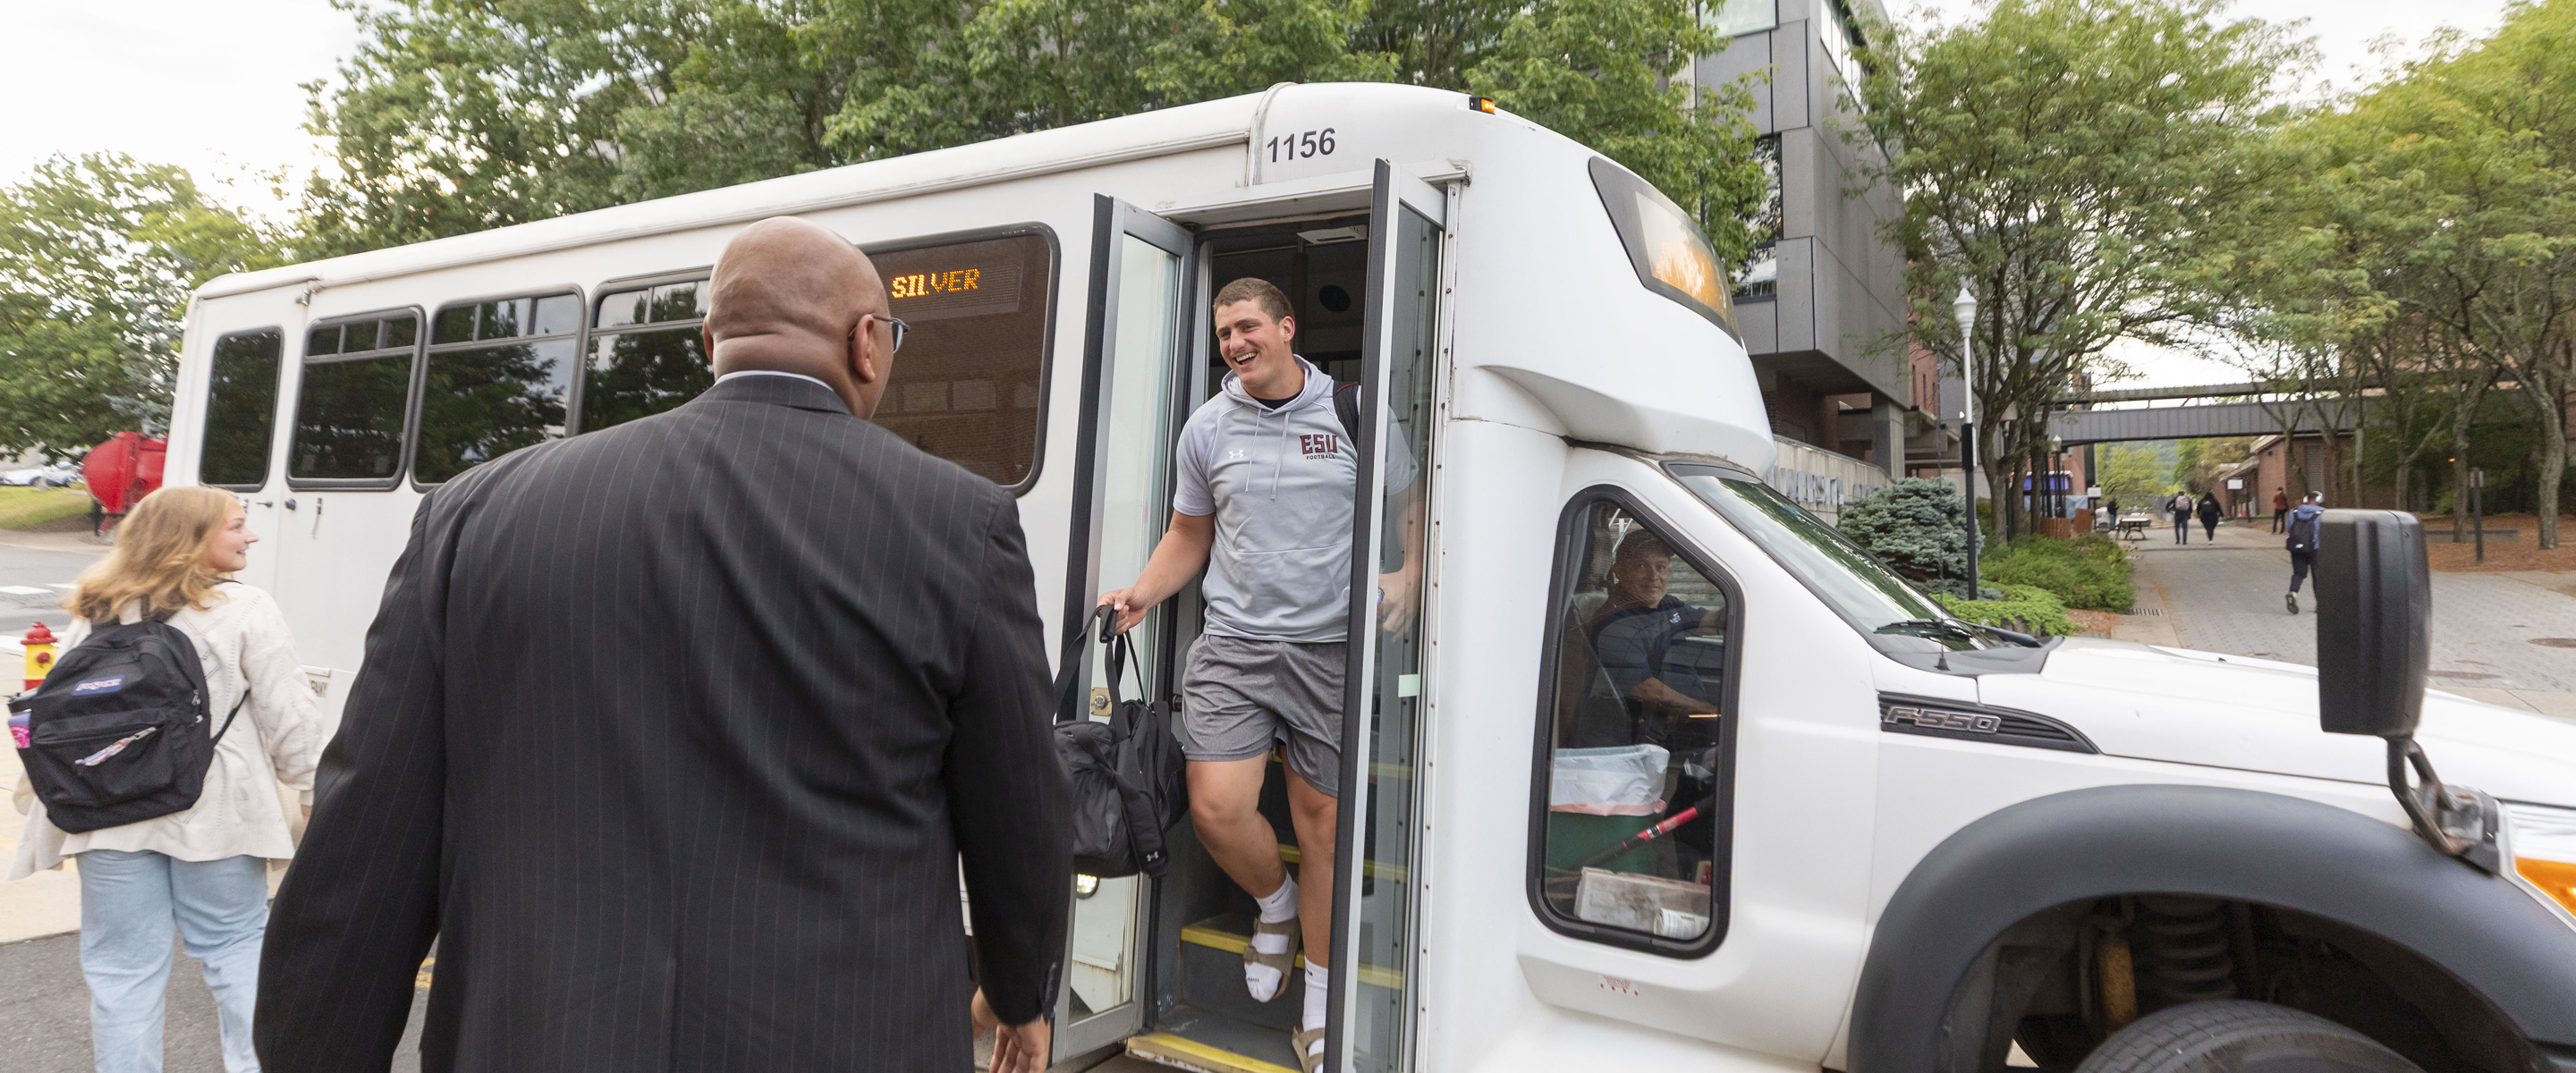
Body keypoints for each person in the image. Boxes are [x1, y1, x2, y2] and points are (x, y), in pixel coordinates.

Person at [256, 217, 1071, 1073]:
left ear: (710, 340)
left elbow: (368, 836)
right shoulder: (959, 522)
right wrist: (1020, 993)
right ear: (868, 343)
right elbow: (1019, 808)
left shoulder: (477, 514)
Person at [1098, 277, 1419, 1073]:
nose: (1235, 343)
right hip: (1235, 647)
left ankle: (1317, 1003)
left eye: (1247, 327)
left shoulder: (1353, 411)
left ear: (1286, 326)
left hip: (1330, 652)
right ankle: (1272, 905)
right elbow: (1188, 532)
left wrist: (1410, 572)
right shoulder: (1207, 428)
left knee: (1323, 832)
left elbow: (1412, 497)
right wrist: (1142, 590)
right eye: (1224, 333)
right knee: (1214, 810)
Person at [11, 486, 326, 1073]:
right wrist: (312, 787)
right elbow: (291, 713)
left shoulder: (99, 608)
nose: (251, 534)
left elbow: (59, 711)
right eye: (236, 525)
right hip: (216, 814)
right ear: (192, 536)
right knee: (235, 951)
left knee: (122, 972)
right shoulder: (244, 608)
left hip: (106, 812)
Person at [2285, 491, 2326, 614]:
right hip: (2315, 548)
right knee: (2317, 575)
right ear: (2318, 500)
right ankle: (2320, 605)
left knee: (2299, 573)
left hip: (2297, 547)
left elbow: (2288, 529)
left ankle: (2293, 593)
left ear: (2306, 499)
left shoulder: (2294, 512)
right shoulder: (2323, 513)